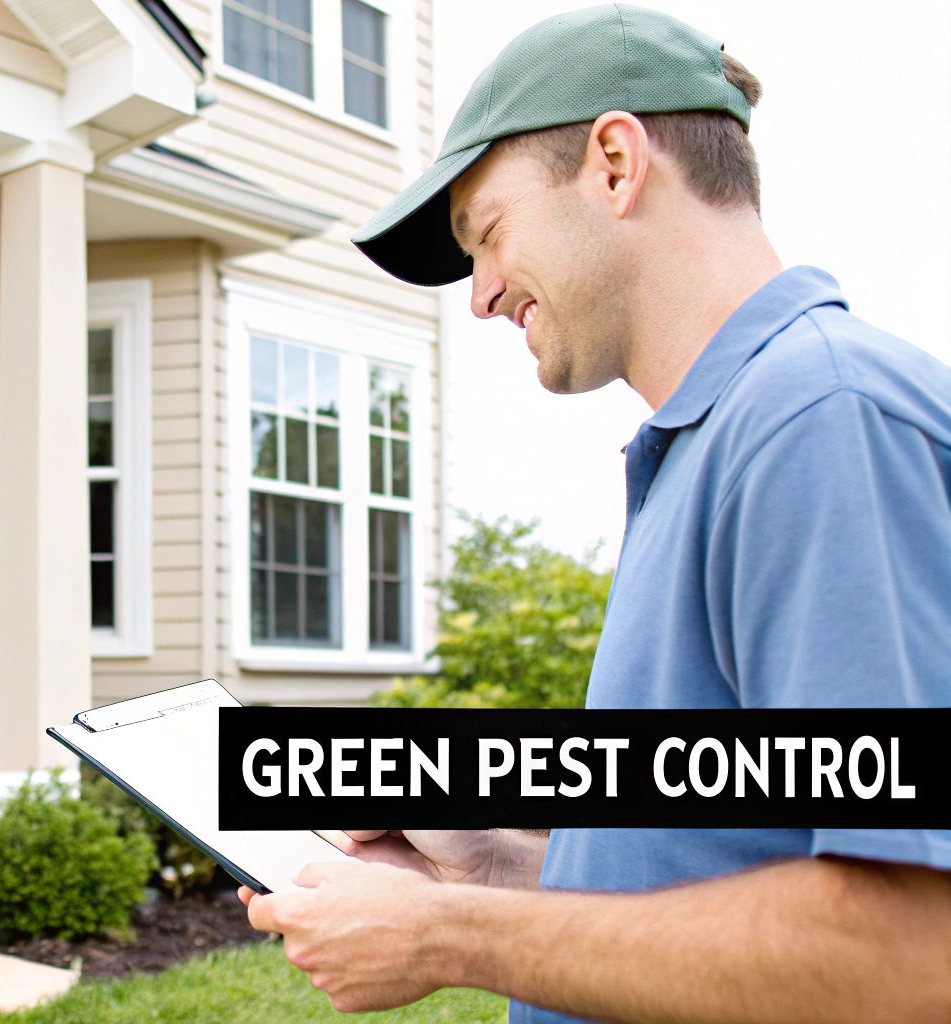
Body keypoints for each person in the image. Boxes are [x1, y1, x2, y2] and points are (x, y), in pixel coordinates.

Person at [239, 6, 951, 1022]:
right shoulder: (714, 446)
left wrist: (447, 937)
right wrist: (499, 868)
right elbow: (721, 869)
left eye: (485, 235)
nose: (479, 296)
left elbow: (910, 948)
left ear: (614, 162)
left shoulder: (820, 421)